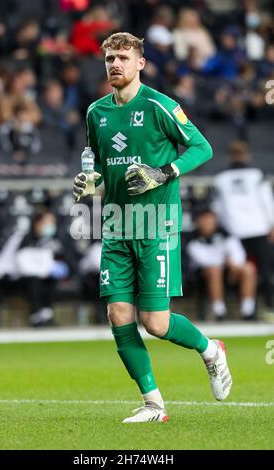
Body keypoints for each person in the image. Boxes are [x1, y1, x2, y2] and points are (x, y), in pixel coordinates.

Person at [73, 32, 232, 423]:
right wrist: (90, 185)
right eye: (110, 58)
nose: (115, 64)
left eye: (123, 58)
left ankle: (210, 350)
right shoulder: (97, 113)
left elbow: (202, 148)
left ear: (140, 63)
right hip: (116, 226)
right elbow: (102, 168)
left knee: (155, 323)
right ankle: (153, 404)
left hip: (156, 226)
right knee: (118, 315)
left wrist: (162, 173)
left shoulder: (161, 106)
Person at [213, 140, 274, 314]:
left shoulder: (220, 179)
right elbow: (267, 201)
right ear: (247, 155)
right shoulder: (257, 174)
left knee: (251, 272)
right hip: (256, 229)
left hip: (236, 231)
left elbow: (219, 209)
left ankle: (254, 307)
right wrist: (271, 224)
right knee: (260, 271)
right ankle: (260, 307)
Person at [187, 208, 257, 321]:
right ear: (198, 222)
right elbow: (202, 260)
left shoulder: (225, 234)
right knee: (214, 270)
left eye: (211, 221)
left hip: (229, 272)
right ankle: (219, 311)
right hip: (203, 275)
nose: (208, 225)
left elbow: (238, 254)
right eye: (205, 221)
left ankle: (248, 311)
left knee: (249, 269)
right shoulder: (192, 238)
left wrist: (233, 264)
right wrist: (225, 261)